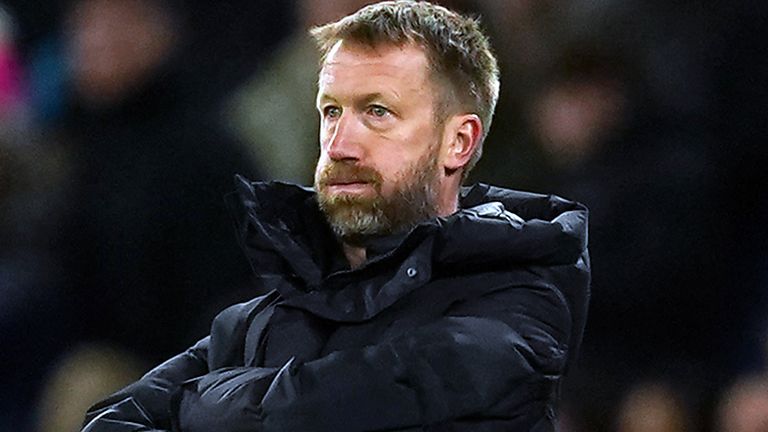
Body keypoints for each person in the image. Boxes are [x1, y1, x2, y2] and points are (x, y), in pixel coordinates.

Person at [80, 1, 590, 431]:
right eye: (331, 112)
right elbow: (112, 419)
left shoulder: (520, 300)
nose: (341, 145)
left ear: (458, 142)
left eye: (377, 112)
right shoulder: (262, 315)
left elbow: (355, 397)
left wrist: (200, 403)